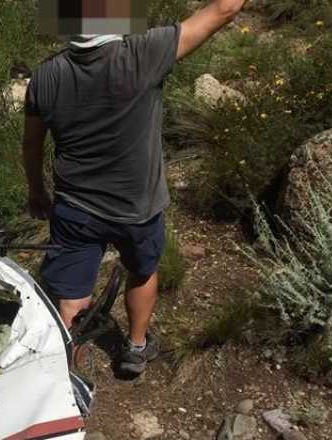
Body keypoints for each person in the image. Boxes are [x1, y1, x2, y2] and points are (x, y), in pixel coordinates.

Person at [21, 0, 247, 374]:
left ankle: (59, 370)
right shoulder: (144, 52)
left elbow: (31, 144)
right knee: (141, 271)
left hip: (74, 207)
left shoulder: (44, 76)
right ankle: (136, 347)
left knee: (70, 296)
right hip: (137, 208)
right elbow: (225, 8)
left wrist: (36, 191)